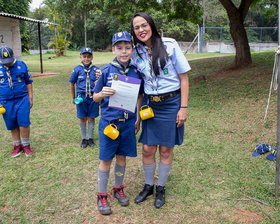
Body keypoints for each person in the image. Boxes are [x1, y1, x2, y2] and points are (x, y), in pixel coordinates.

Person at [131, 12, 191, 208]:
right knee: (148, 148)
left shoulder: (170, 45)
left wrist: (183, 108)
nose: (141, 30)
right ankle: (148, 186)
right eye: (136, 27)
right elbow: (127, 73)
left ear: (151, 25)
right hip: (150, 105)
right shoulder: (136, 52)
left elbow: (184, 78)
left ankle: (161, 188)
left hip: (171, 104)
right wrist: (103, 73)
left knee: (165, 149)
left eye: (144, 25)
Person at [93, 31, 144, 215]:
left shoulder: (136, 71)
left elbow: (139, 96)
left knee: (122, 158)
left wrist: (137, 118)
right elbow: (95, 97)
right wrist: (102, 94)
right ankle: (101, 194)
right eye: (119, 48)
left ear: (132, 49)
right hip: (109, 124)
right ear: (113, 49)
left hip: (128, 123)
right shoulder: (106, 70)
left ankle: (118, 187)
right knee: (106, 159)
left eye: (127, 48)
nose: (124, 52)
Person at [0, 46, 34, 157]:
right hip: (5, 102)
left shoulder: (21, 65)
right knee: (12, 124)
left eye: (9, 61)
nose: (7, 64)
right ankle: (17, 146)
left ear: (13, 55)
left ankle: (26, 145)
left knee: (24, 123)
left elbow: (28, 81)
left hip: (22, 99)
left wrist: (30, 97)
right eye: (5, 62)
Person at [69, 48, 100, 148]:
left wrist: (99, 97)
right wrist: (73, 97)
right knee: (82, 118)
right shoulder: (77, 69)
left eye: (89, 56)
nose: (86, 58)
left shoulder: (96, 70)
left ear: (92, 57)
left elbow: (99, 84)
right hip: (81, 97)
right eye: (84, 56)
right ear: (80, 57)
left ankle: (90, 138)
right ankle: (84, 139)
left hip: (92, 97)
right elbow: (71, 84)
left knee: (91, 117)